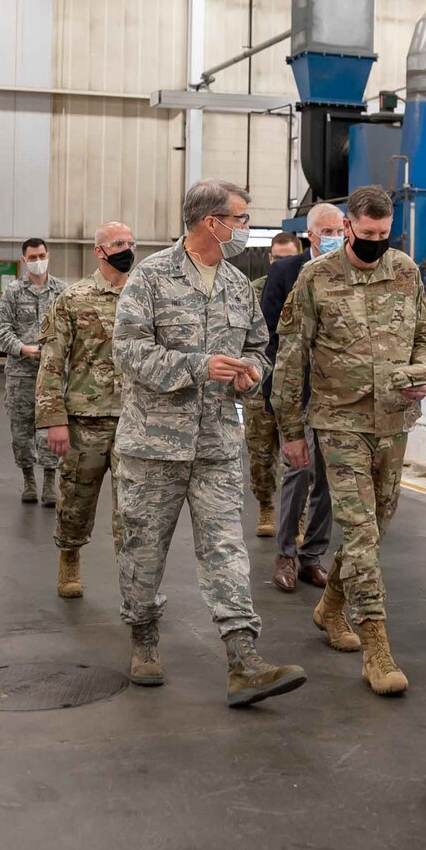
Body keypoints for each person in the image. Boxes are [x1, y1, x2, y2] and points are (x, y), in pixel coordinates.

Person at [109, 180, 306, 707]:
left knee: (226, 551)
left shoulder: (239, 285)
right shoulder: (151, 276)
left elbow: (260, 348)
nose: (246, 228)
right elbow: (128, 352)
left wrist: (251, 376)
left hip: (217, 443)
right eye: (241, 218)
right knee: (143, 551)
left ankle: (243, 659)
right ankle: (144, 636)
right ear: (210, 222)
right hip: (153, 446)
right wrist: (198, 367)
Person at [272, 185, 426, 697]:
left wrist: (420, 373)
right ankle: (376, 648)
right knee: (361, 535)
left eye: (384, 236)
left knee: (376, 528)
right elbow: (291, 357)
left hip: (393, 420)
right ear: (347, 227)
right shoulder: (315, 278)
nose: (375, 243)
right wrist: (291, 431)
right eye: (367, 235)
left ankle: (329, 607)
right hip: (338, 421)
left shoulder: (405, 271)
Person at [36, 221, 134, 601]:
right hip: (84, 420)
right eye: (118, 243)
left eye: (130, 241)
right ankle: (70, 554)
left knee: (133, 507)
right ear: (100, 250)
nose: (126, 248)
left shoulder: (145, 296)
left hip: (134, 420)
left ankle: (133, 578)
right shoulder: (73, 298)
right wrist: (54, 420)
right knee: (76, 499)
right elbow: (51, 363)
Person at [259, 203, 345, 595]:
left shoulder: (348, 268)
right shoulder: (285, 272)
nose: (335, 237)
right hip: (301, 389)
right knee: (298, 469)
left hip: (340, 395)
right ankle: (286, 555)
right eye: (327, 231)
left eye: (339, 229)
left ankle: (313, 556)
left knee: (329, 478)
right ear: (311, 235)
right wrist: (277, 392)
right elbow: (271, 337)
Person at [0, 237, 66, 505]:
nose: (38, 261)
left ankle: (50, 481)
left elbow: (71, 328)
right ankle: (28, 479)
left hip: (52, 374)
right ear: (24, 260)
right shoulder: (13, 291)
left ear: (48, 255)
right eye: (33, 258)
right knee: (21, 430)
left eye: (42, 256)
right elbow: (2, 330)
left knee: (51, 428)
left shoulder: (61, 291)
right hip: (20, 374)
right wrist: (22, 348)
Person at [245, 230, 304, 539]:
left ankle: (298, 516)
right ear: (270, 259)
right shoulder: (252, 292)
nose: (281, 263)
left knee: (297, 453)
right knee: (260, 453)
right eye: (276, 258)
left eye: (288, 257)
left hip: (295, 386)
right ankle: (266, 504)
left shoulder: (309, 289)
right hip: (261, 385)